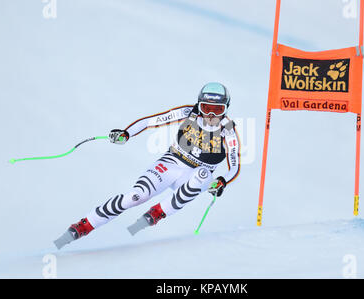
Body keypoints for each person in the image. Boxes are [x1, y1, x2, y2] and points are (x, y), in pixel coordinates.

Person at [54, 82, 241, 249]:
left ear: (226, 109)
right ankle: (85, 224)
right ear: (199, 105)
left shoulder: (229, 130)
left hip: (194, 176)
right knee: (135, 196)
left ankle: (159, 212)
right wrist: (126, 134)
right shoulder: (188, 113)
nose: (210, 115)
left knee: (202, 174)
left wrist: (222, 181)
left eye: (217, 110)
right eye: (206, 107)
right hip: (172, 162)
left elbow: (234, 165)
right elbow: (150, 122)